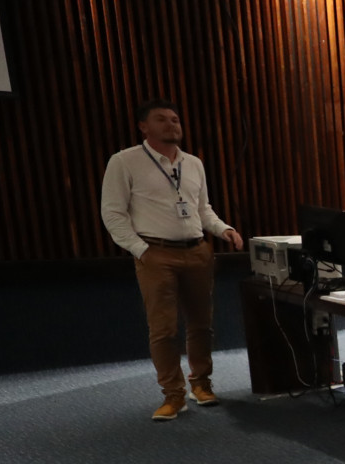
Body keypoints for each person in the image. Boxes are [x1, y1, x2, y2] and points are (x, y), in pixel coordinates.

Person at [99, 100, 243, 420]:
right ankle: (173, 394)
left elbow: (202, 209)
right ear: (143, 127)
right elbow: (113, 213)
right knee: (164, 330)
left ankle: (201, 384)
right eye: (162, 120)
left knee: (201, 325)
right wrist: (141, 250)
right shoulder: (125, 162)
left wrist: (224, 229)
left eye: (176, 119)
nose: (172, 125)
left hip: (196, 250)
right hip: (155, 252)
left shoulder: (193, 163)